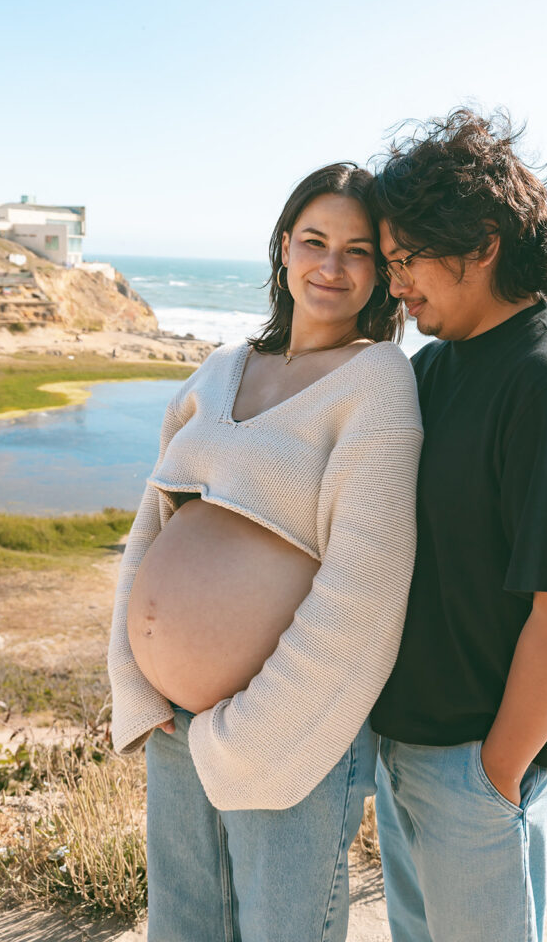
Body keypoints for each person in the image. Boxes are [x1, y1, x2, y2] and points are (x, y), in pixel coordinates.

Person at [107, 162, 423, 942]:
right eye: (313, 240)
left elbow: (366, 589)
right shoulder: (220, 370)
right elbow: (150, 529)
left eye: (358, 251)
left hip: (286, 727)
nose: (331, 266)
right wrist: (136, 687)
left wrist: (248, 728)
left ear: (382, 273)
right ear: (283, 248)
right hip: (173, 723)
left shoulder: (375, 381)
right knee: (181, 929)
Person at [369, 110, 547, 942]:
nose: (395, 282)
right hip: (416, 744)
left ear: (482, 243)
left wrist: (495, 775)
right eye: (388, 261)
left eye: (408, 258)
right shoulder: (436, 364)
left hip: (484, 759)